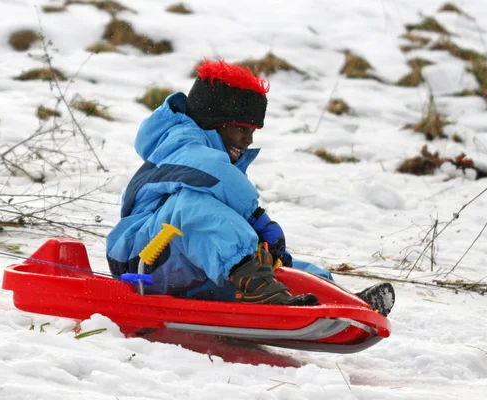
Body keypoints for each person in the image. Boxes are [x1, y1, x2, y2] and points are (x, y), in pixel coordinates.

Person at [106, 60, 394, 314]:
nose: (248, 140)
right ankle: (260, 288)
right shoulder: (179, 142)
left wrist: (269, 249)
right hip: (141, 257)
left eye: (252, 131)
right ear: (214, 122)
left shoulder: (214, 160)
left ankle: (338, 302)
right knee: (193, 205)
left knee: (269, 263)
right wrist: (255, 217)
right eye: (241, 128)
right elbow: (210, 172)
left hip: (192, 266)